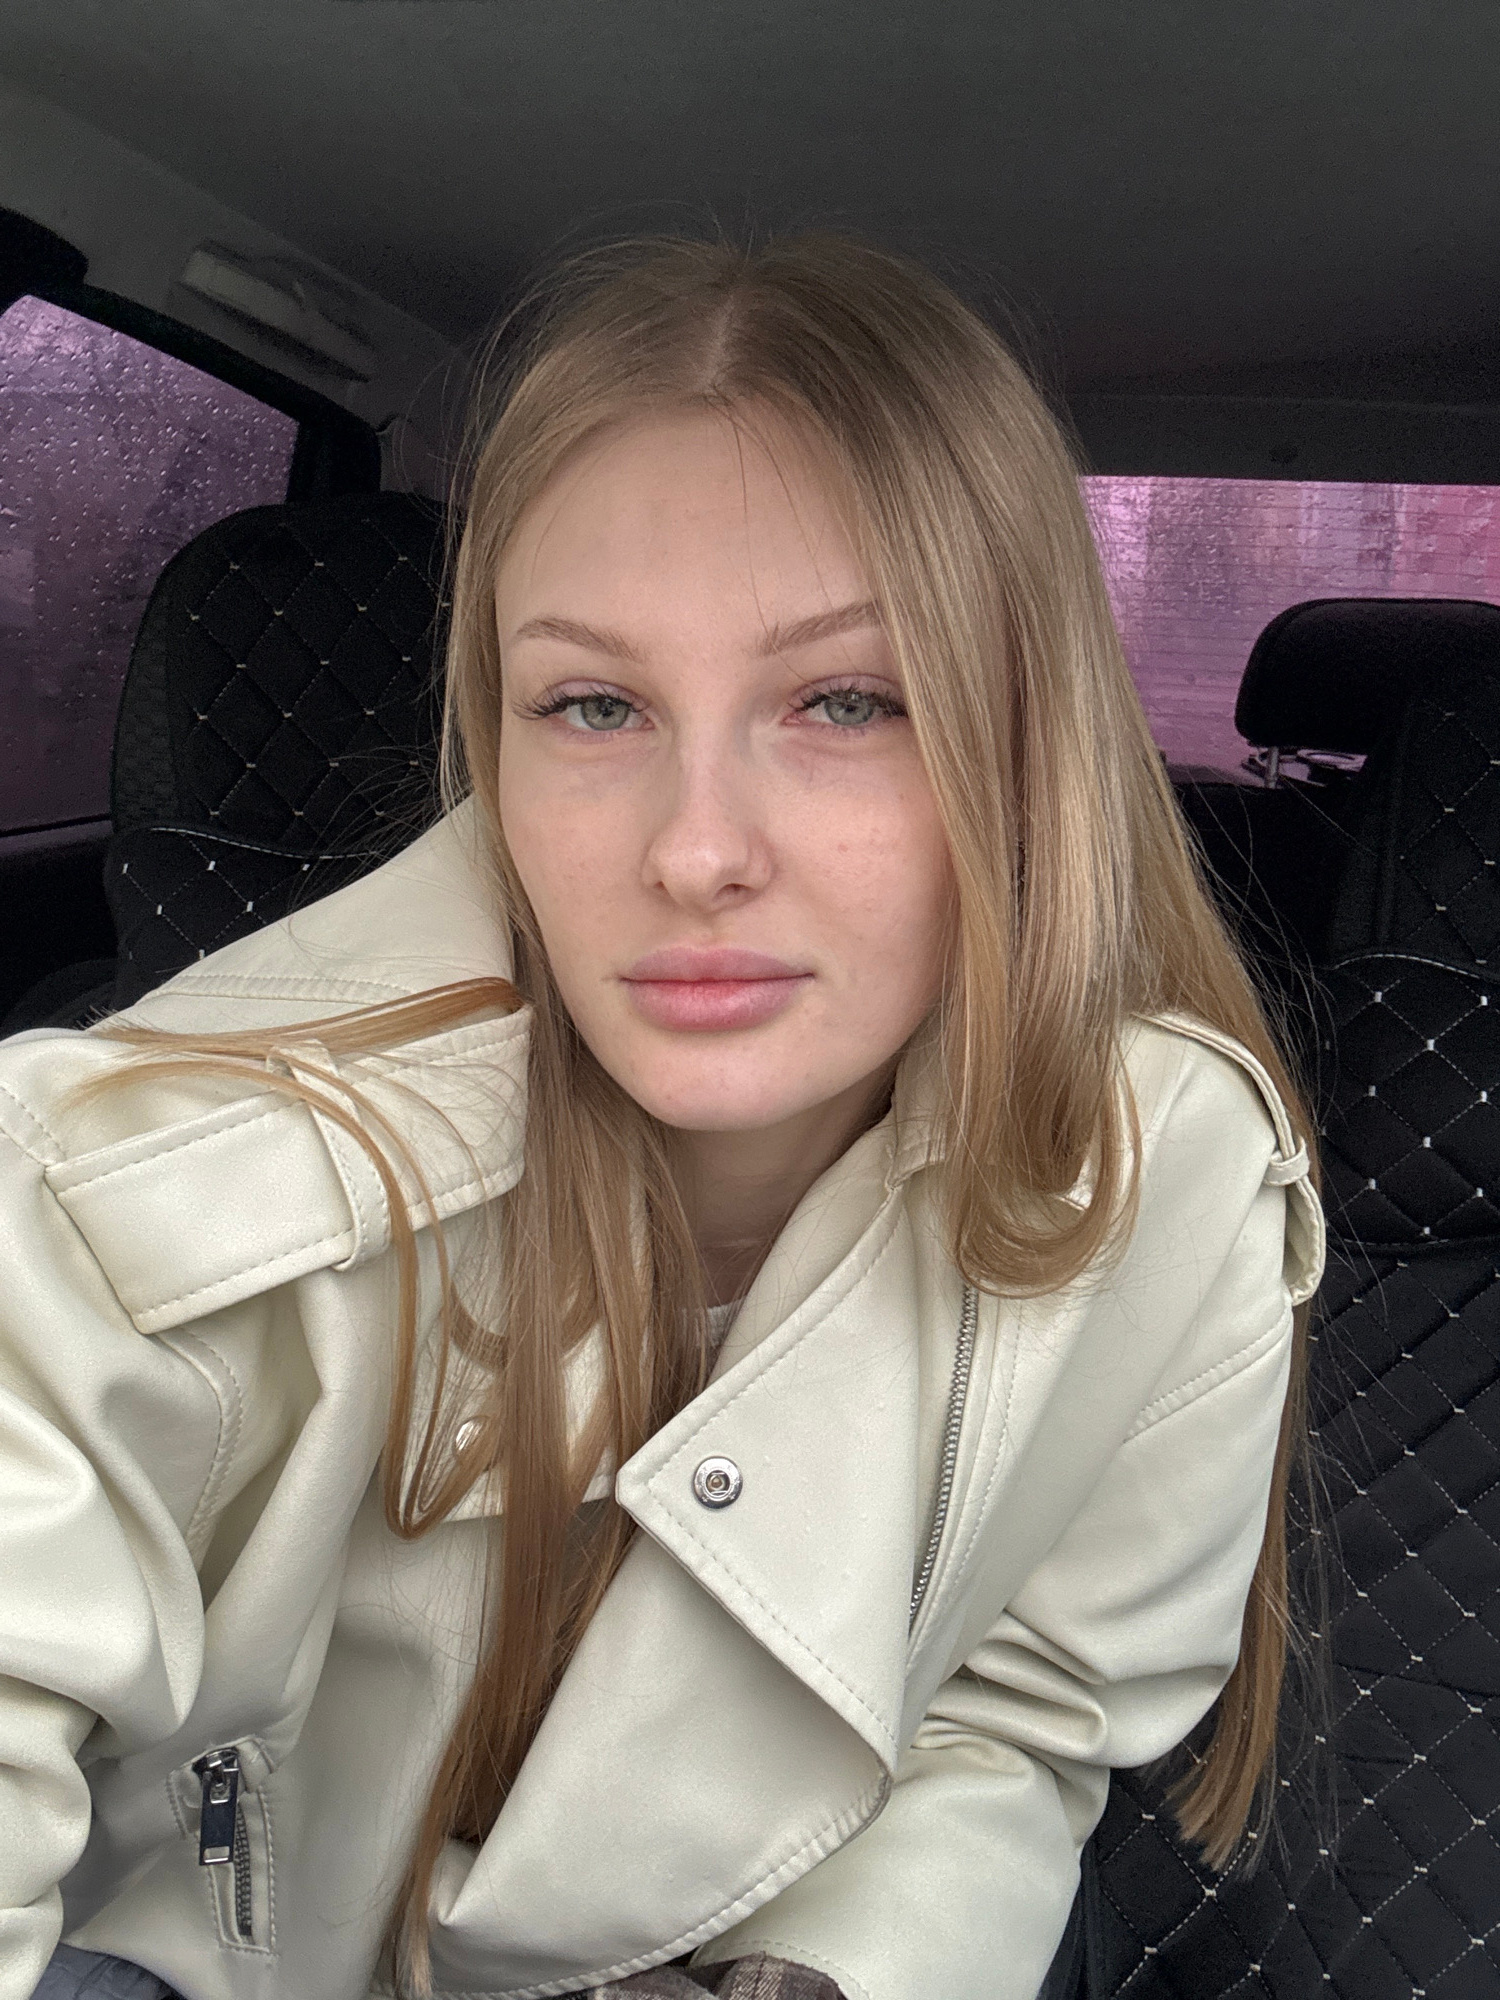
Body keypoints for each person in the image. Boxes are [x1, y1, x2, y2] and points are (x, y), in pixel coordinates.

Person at [2, 232, 1324, 2000]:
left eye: (846, 701)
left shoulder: (1184, 1187)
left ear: (1023, 746)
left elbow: (1025, 1708)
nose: (696, 851)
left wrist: (835, 1971)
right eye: (595, 705)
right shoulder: (109, 1196)